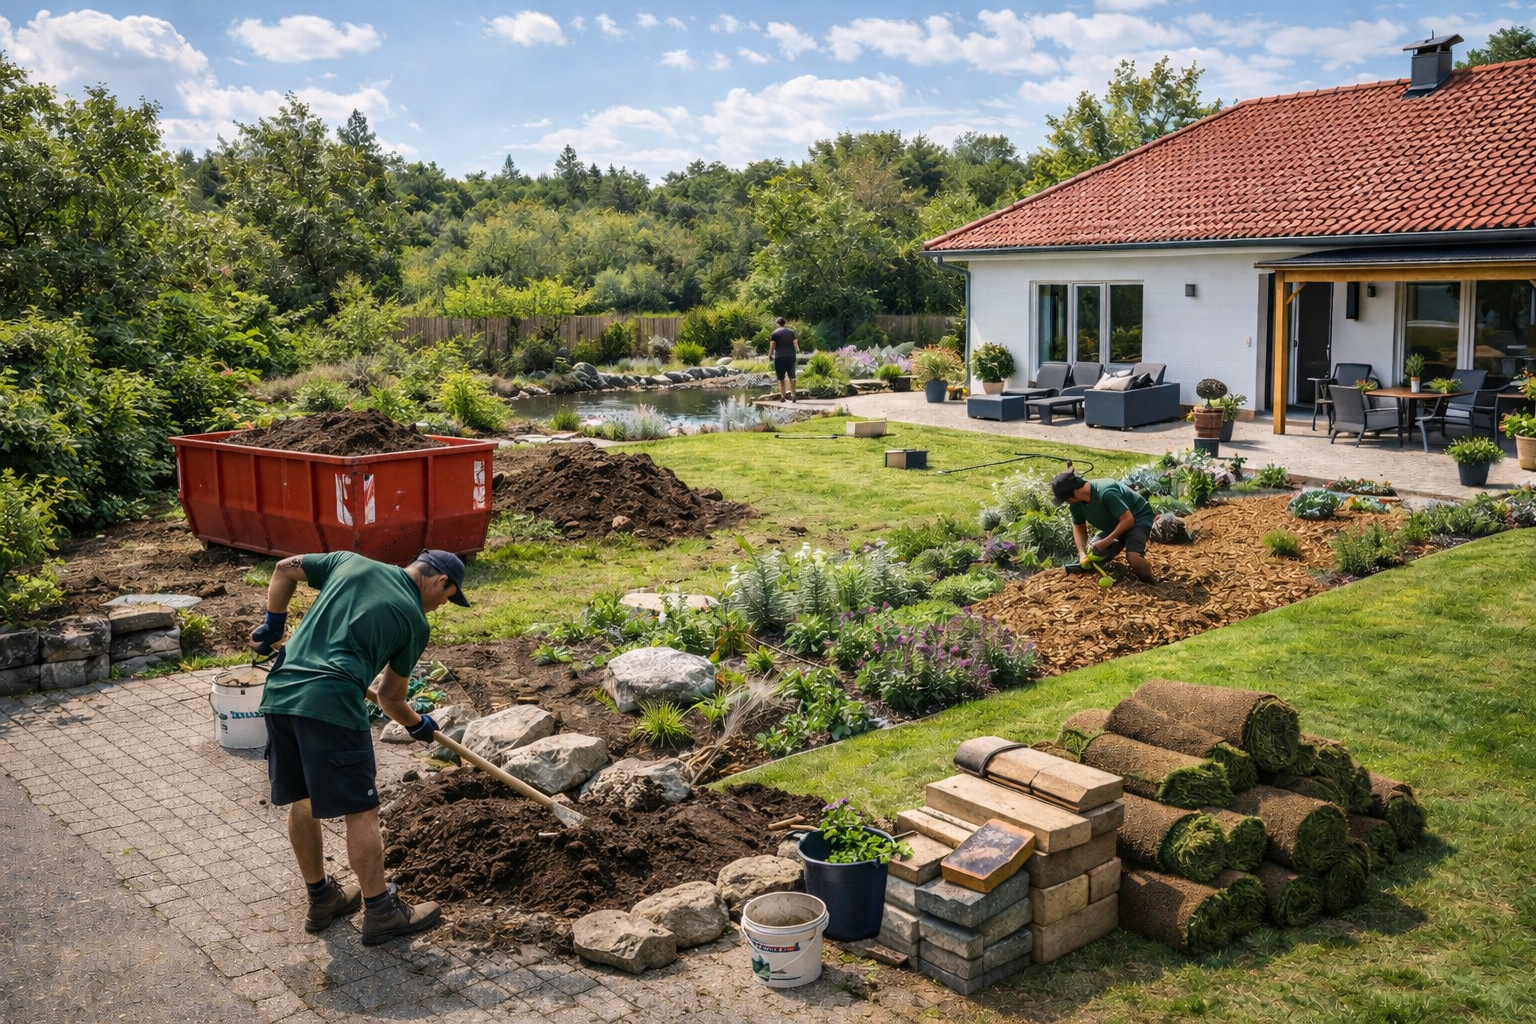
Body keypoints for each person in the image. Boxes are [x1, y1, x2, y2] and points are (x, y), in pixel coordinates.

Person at [249, 548, 470, 945]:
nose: (441, 607)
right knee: (362, 812)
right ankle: (382, 911)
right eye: (447, 598)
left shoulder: (348, 561)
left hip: (281, 692)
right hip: (331, 702)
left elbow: (283, 569)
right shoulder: (414, 621)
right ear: (441, 581)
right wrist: (419, 724)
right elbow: (390, 698)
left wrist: (273, 624)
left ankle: (322, 899)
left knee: (304, 800)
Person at [1052, 471, 1157, 582]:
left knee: (1134, 558)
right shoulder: (1076, 505)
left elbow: (1128, 520)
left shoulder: (1106, 492)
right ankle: (1119, 541)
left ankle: (1151, 584)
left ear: (1074, 492)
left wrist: (1106, 541)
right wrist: (1082, 553)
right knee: (1094, 552)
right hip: (1116, 523)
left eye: (1066, 499)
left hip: (1138, 518)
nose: (1067, 502)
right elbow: (1079, 528)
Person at [769, 316, 799, 402]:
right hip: (791, 356)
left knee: (781, 378)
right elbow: (796, 344)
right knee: (792, 376)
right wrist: (796, 352)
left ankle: (783, 395)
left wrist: (770, 355)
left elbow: (772, 346)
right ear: (784, 323)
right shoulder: (791, 332)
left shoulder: (774, 334)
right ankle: (793, 394)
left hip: (779, 357)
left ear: (777, 324)